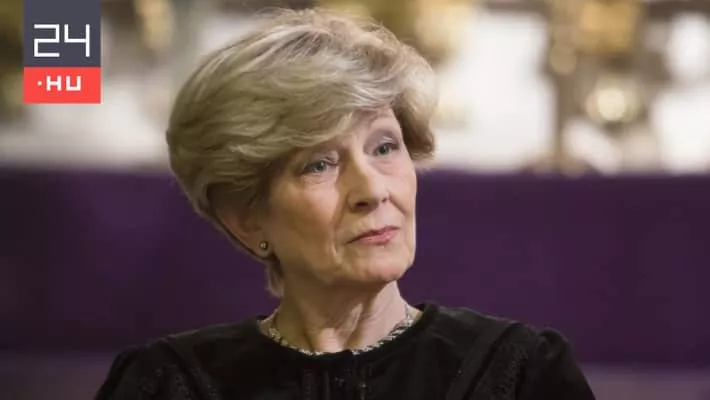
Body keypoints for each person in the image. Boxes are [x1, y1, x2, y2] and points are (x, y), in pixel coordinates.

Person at [95, 8, 595, 400]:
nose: (372, 190)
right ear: (246, 219)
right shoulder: (168, 384)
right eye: (319, 164)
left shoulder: (519, 374)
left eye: (385, 147)